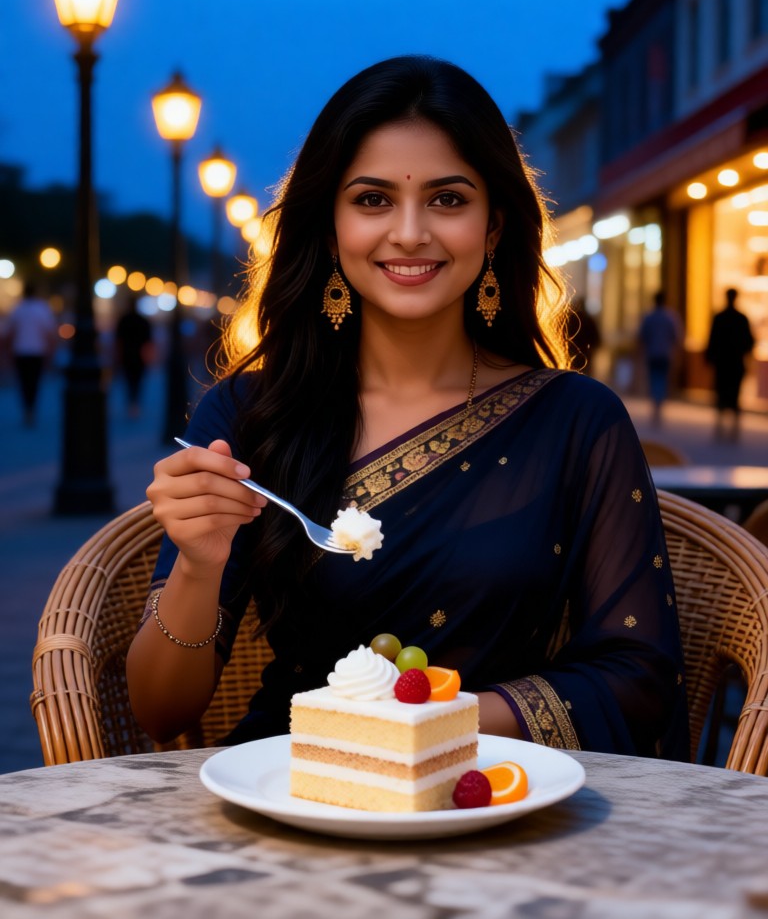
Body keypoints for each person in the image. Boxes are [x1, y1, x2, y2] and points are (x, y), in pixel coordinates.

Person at [127, 56, 689, 762]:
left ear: (494, 229)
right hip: (290, 790)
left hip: (500, 794)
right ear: (330, 229)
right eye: (372, 200)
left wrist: (430, 718)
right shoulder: (249, 416)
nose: (411, 232)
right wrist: (197, 567)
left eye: (449, 200)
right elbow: (159, 711)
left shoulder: (578, 420)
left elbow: (640, 678)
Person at [705, 288, 755, 440]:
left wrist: (710, 358)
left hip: (722, 364)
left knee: (722, 395)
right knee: (734, 396)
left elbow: (712, 341)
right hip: (736, 363)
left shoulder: (720, 318)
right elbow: (749, 342)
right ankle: (733, 431)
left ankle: (720, 429)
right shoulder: (741, 319)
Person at [6, 281, 58, 426]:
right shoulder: (42, 309)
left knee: (23, 382)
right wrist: (51, 352)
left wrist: (8, 351)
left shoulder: (18, 309)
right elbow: (49, 333)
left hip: (20, 351)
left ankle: (27, 409)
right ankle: (32, 409)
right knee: (34, 382)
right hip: (37, 352)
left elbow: (11, 332)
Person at [638, 291, 683, 425]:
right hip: (665, 353)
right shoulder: (671, 317)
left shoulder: (649, 317)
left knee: (654, 377)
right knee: (662, 378)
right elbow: (676, 336)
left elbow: (642, 336)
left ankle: (655, 403)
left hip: (652, 353)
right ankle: (659, 403)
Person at [114, 297, 154, 417]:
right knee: (138, 381)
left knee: (129, 381)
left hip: (127, 355)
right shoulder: (143, 321)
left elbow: (118, 341)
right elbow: (148, 342)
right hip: (139, 356)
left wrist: (118, 356)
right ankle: (135, 404)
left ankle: (131, 403)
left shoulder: (124, 320)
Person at [566, 296, 601, 375]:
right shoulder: (588, 318)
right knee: (585, 373)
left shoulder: (570, 319)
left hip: (571, 351)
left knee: (571, 372)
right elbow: (595, 335)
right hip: (585, 352)